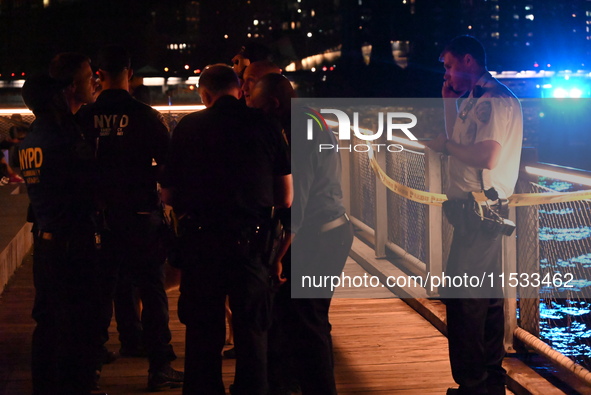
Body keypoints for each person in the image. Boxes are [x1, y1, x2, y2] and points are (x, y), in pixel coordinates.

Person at [160, 64, 292, 395]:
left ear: (205, 94)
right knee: (252, 333)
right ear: (239, 90)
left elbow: (169, 194)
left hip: (202, 243)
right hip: (252, 243)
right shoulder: (266, 126)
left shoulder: (188, 127)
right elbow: (285, 198)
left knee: (203, 333)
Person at [77, 44, 183, 392]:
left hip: (99, 219)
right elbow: (168, 170)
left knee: (99, 293)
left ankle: (90, 370)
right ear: (131, 75)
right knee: (152, 291)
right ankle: (159, 366)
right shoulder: (146, 116)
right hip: (140, 215)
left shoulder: (84, 118)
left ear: (98, 77)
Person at [424, 35, 523, 395]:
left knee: (465, 302)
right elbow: (461, 140)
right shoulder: (475, 99)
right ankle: (489, 381)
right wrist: (448, 103)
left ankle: (474, 385)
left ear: (468, 61)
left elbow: (487, 157)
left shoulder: (493, 102)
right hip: (476, 212)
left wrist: (446, 146)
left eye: (449, 65)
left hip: (482, 211)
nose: (446, 73)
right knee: (486, 299)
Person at [250, 73, 354, 395]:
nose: (253, 114)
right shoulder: (308, 117)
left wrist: (278, 256)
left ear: (274, 104)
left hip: (320, 238)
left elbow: (299, 204)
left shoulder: (300, 133)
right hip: (328, 233)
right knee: (304, 319)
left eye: (257, 107)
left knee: (309, 324)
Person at [19, 53, 104, 395]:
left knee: (49, 324)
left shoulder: (32, 140)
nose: (94, 83)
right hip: (75, 246)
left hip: (46, 244)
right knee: (80, 325)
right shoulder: (68, 141)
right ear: (71, 88)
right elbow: (94, 192)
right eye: (88, 78)